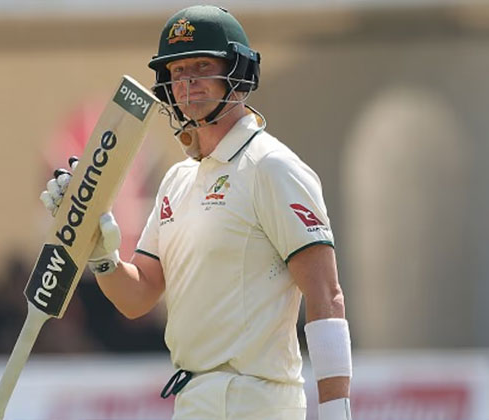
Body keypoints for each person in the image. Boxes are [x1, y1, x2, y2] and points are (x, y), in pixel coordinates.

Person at [41, 5, 352, 420]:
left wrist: (336, 411)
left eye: (202, 66)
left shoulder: (271, 167)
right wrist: (101, 254)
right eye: (177, 71)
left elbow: (326, 295)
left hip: (255, 398)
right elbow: (138, 297)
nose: (187, 82)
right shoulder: (178, 180)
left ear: (238, 71)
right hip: (191, 398)